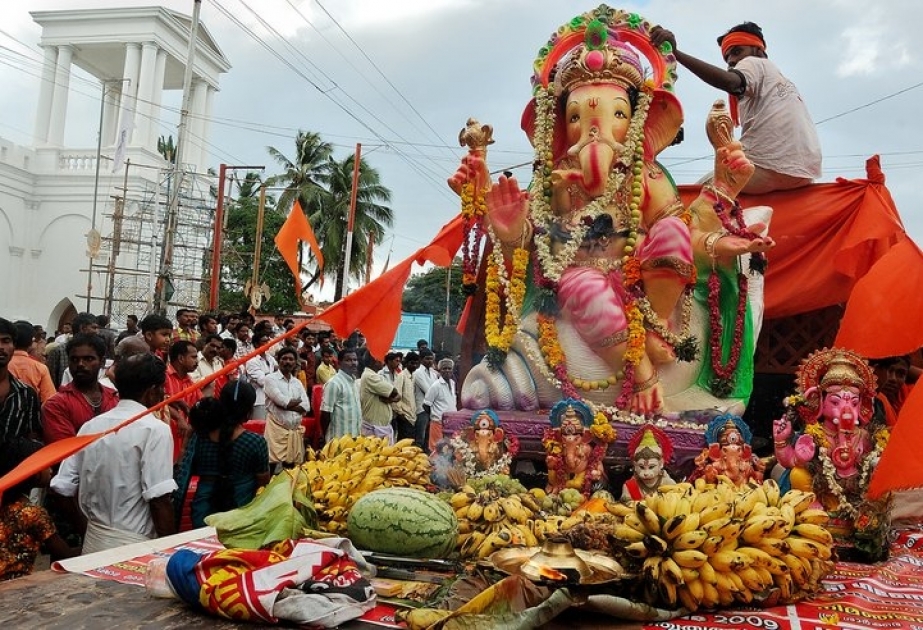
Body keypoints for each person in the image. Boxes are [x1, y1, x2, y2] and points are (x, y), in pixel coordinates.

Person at [650, 21, 821, 194]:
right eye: (727, 58)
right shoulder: (779, 78)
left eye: (737, 51)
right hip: (804, 174)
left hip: (767, 167)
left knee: (688, 198)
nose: (732, 60)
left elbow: (731, 82)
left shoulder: (754, 63)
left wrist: (676, 54)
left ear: (759, 50)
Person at [50, 353, 178, 554]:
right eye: (162, 388)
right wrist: (170, 554)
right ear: (152, 391)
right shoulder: (155, 429)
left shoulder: (90, 426)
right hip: (135, 547)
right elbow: (160, 499)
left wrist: (87, 530)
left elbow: (61, 487)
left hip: (94, 542)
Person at [183, 382, 270, 528]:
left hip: (203, 514)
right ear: (249, 411)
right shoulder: (255, 442)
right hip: (241, 516)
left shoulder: (200, 437)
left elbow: (184, 470)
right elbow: (263, 484)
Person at [0, 437, 79, 580]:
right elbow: (65, 555)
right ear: (30, 470)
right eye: (44, 463)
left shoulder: (6, 503)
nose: (50, 468)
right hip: (14, 588)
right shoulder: (32, 514)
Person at [42, 334, 119, 444]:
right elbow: (64, 449)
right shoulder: (56, 404)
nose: (80, 364)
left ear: (102, 362)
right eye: (74, 359)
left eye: (88, 359)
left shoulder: (114, 398)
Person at [263, 346, 311, 469]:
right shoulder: (270, 379)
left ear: (295, 362)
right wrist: (290, 404)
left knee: (290, 468)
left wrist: (288, 405)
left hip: (293, 430)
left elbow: (306, 406)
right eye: (284, 358)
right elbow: (282, 402)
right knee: (272, 464)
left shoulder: (297, 382)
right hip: (276, 430)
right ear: (278, 361)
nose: (288, 362)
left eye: (291, 359)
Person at [0, 318, 41, 442]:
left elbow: (34, 437)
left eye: (6, 341)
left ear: (14, 346)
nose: (1, 347)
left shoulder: (27, 394)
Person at [164, 340, 203, 463]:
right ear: (181, 358)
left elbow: (199, 404)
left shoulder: (190, 381)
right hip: (166, 437)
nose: (197, 362)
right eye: (193, 357)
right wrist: (179, 419)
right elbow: (159, 403)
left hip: (184, 440)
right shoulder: (163, 377)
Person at [8, 320, 55, 404]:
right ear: (31, 342)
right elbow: (49, 400)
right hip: (31, 413)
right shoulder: (40, 368)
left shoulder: (5, 364)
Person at [319, 348, 361, 443]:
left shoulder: (354, 382)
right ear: (340, 362)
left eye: (355, 360)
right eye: (348, 360)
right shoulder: (334, 383)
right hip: (338, 439)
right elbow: (325, 413)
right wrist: (324, 435)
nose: (353, 363)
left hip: (354, 438)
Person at [359, 353, 400, 444]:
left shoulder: (375, 375)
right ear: (374, 361)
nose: (383, 362)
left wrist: (391, 399)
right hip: (375, 428)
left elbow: (397, 396)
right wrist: (393, 398)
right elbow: (394, 392)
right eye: (381, 359)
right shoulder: (370, 376)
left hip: (380, 427)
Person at [423, 358, 457, 452]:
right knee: (436, 448)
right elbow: (426, 404)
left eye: (449, 368)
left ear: (452, 370)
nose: (447, 371)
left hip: (451, 422)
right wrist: (435, 416)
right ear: (440, 370)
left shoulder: (453, 383)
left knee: (449, 449)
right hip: (438, 422)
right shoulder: (436, 385)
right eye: (444, 368)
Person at [244, 330, 277, 421]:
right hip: (259, 400)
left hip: (272, 400)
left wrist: (268, 374)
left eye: (267, 341)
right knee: (259, 428)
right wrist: (273, 375)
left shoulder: (270, 358)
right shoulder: (251, 361)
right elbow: (263, 381)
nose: (267, 343)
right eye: (264, 341)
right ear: (256, 344)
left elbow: (280, 374)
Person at [412, 350, 438, 450]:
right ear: (421, 359)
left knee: (429, 437)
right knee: (420, 438)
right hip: (422, 409)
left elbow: (437, 389)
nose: (430, 361)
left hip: (432, 408)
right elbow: (428, 390)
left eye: (431, 358)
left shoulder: (433, 373)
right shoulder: (418, 373)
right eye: (427, 359)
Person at [393, 351, 419, 442]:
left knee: (410, 444)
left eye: (416, 363)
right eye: (412, 363)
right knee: (403, 444)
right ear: (406, 363)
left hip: (412, 416)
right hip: (404, 416)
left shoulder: (414, 376)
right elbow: (396, 396)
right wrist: (400, 413)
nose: (414, 365)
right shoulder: (401, 376)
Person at [191, 334, 225, 398]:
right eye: (212, 345)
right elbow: (195, 383)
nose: (215, 349)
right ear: (204, 345)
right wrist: (211, 380)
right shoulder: (194, 360)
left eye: (218, 348)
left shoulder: (219, 362)